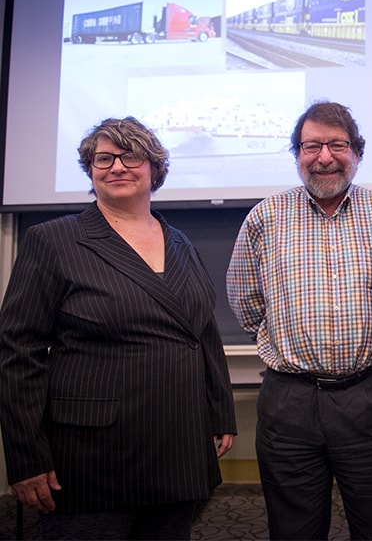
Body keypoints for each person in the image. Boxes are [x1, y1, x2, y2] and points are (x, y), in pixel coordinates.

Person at [0, 116, 237, 540]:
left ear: (155, 168)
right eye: (103, 158)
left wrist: (220, 411)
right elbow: (18, 352)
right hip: (92, 457)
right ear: (90, 170)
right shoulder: (54, 240)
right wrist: (26, 456)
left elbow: (202, 333)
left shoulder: (180, 242)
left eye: (131, 156)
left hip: (178, 444)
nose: (116, 167)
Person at [226, 101, 372, 540]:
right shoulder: (265, 218)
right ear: (296, 154)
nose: (324, 157)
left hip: (369, 398)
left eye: (337, 145)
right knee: (294, 531)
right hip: (289, 402)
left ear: (357, 153)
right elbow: (244, 300)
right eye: (311, 146)